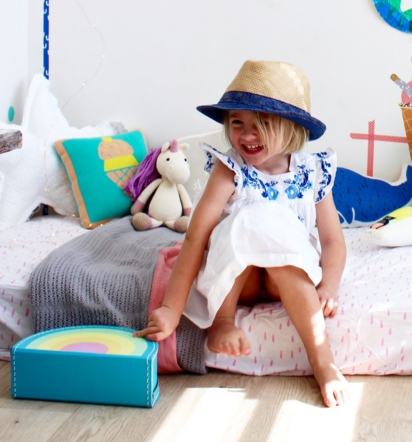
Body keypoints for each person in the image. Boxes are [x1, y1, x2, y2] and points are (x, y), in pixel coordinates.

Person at [135, 60, 349, 407]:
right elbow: (197, 236)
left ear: (292, 127)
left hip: (286, 275)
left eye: (262, 124)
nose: (246, 135)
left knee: (283, 258)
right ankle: (222, 320)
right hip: (242, 277)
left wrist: (329, 286)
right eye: (237, 123)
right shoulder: (229, 169)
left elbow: (332, 241)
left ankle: (322, 361)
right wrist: (171, 309)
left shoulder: (312, 173)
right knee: (243, 226)